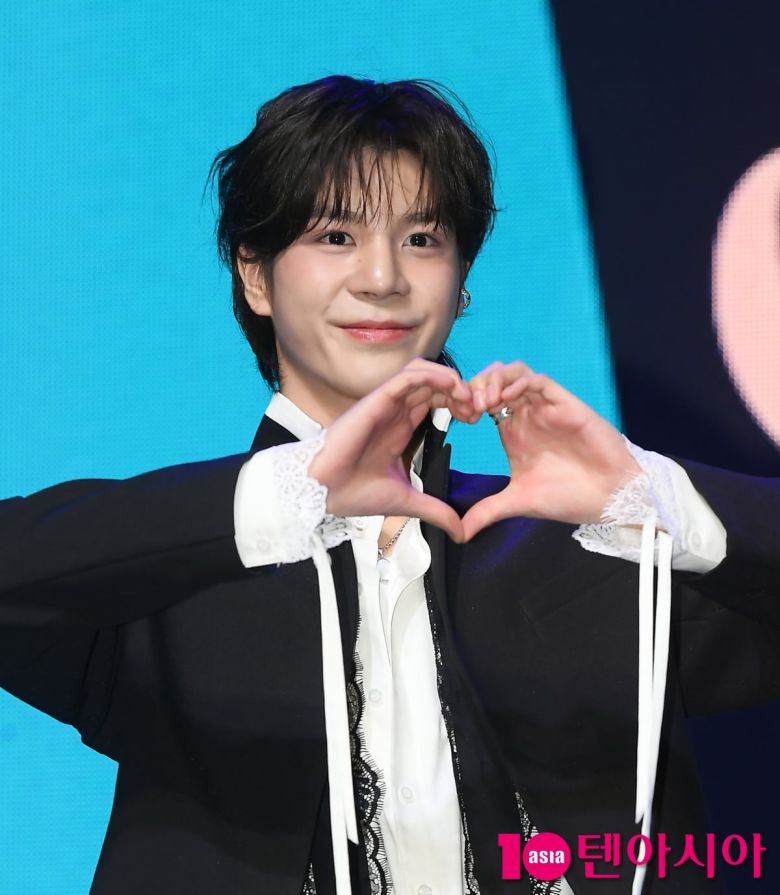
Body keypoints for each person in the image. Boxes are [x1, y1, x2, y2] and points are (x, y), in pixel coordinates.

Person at [1, 75, 778, 895]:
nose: (382, 277)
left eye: (422, 238)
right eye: (336, 235)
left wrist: (650, 496)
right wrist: (292, 493)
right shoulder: (171, 573)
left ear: (461, 282)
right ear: (255, 276)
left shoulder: (589, 552)